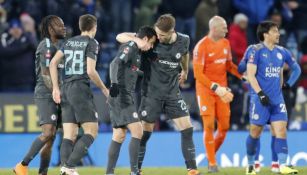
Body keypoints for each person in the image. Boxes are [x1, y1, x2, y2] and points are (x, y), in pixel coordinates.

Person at [116, 14, 201, 175]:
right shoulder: (152, 39)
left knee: (187, 128)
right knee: (144, 134)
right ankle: (136, 170)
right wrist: (139, 41)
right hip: (151, 95)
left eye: (162, 35)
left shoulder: (184, 40)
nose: (158, 37)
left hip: (172, 94)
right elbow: (119, 36)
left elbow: (185, 54)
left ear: (172, 31)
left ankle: (192, 170)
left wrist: (185, 70)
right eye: (157, 33)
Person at [49, 14, 109, 175]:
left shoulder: (68, 42)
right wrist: (104, 89)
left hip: (65, 89)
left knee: (69, 134)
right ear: (94, 27)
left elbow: (53, 63)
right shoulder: (92, 42)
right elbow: (90, 70)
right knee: (91, 131)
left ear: (80, 26)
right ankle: (69, 166)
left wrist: (55, 87)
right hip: (79, 89)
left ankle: (65, 168)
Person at [245, 21, 300, 175]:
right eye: (275, 31)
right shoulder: (255, 51)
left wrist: (288, 84)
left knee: (281, 130)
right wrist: (260, 94)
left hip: (277, 100)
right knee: (255, 133)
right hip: (260, 100)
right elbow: (250, 75)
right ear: (265, 34)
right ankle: (250, 164)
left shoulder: (282, 52)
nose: (278, 34)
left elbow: (297, 69)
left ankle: (282, 165)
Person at [13, 15, 66, 175]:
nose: (63, 27)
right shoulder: (46, 45)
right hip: (46, 93)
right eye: (59, 25)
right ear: (50, 29)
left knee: (51, 140)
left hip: (57, 92)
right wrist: (56, 92)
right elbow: (45, 73)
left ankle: (43, 172)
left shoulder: (60, 46)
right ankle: (22, 165)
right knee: (48, 132)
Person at [192, 16, 243, 172]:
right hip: (206, 90)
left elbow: (229, 65)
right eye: (224, 28)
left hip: (222, 92)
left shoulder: (226, 43)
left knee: (224, 127)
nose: (227, 30)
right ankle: (212, 164)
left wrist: (242, 75)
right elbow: (198, 74)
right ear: (214, 29)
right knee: (208, 125)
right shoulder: (201, 47)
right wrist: (215, 87)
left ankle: (210, 155)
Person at [106, 26, 156, 175]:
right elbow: (114, 64)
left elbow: (130, 69)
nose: (151, 47)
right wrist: (114, 83)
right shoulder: (131, 46)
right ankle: (135, 172)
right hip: (121, 93)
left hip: (124, 94)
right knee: (137, 130)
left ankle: (109, 172)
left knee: (119, 135)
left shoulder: (138, 52)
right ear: (145, 39)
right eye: (151, 43)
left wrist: (145, 74)